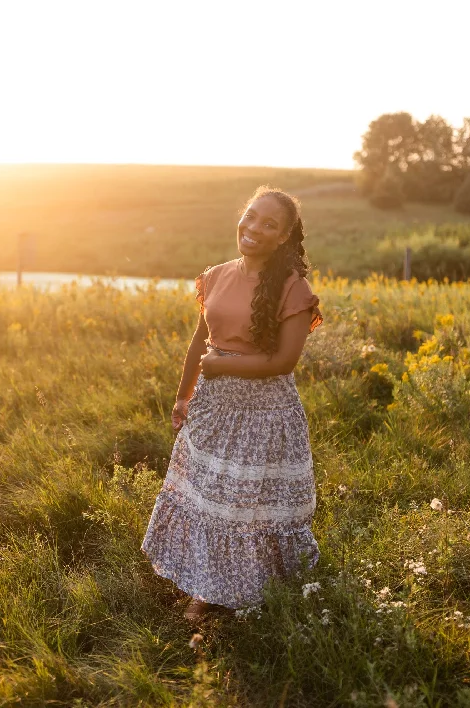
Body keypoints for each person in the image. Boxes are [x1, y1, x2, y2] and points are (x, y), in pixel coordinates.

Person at [141, 186, 323, 621]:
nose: (254, 227)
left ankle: (235, 591)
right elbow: (200, 340)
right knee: (205, 492)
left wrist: (221, 368)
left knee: (244, 501)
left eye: (269, 224)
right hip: (212, 403)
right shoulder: (218, 275)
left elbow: (283, 362)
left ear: (283, 237)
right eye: (251, 215)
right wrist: (183, 395)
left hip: (265, 411)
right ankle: (205, 581)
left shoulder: (293, 289)